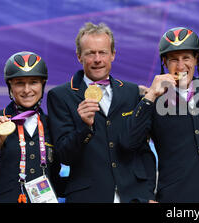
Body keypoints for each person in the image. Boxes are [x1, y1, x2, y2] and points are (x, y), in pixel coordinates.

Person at [121, 27, 199, 203]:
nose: (181, 66)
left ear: (196, 60)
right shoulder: (152, 101)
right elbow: (128, 143)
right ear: (164, 63)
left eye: (186, 58)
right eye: (174, 59)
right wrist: (150, 96)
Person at [47, 22, 155, 203]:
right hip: (88, 197)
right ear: (79, 56)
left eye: (103, 52)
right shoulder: (60, 96)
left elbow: (143, 150)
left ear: (112, 54)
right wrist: (84, 127)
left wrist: (148, 193)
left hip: (135, 196)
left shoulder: (131, 92)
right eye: (90, 53)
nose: (97, 59)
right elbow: (64, 155)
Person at [0, 51, 62, 203]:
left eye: (34, 82)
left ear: (43, 85)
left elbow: (58, 181)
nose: (27, 90)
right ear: (10, 86)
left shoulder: (52, 124)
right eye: (20, 83)